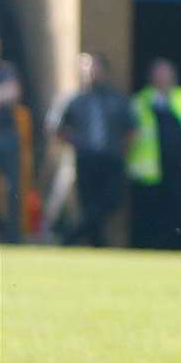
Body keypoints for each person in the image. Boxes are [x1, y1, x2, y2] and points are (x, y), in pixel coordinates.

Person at [47, 52, 137, 246]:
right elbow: (55, 127)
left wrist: (122, 149)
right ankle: (98, 244)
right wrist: (75, 143)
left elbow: (131, 128)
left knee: (112, 200)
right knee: (87, 203)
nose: (92, 74)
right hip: (85, 158)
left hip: (110, 158)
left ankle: (70, 236)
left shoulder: (117, 99)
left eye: (96, 69)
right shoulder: (74, 99)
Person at [126, 57, 181, 249]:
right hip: (150, 173)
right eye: (158, 73)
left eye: (166, 73)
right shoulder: (140, 102)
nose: (163, 77)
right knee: (153, 216)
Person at [0, 37, 23, 242]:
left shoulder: (7, 69)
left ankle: (14, 236)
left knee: (13, 186)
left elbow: (12, 93)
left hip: (6, 134)